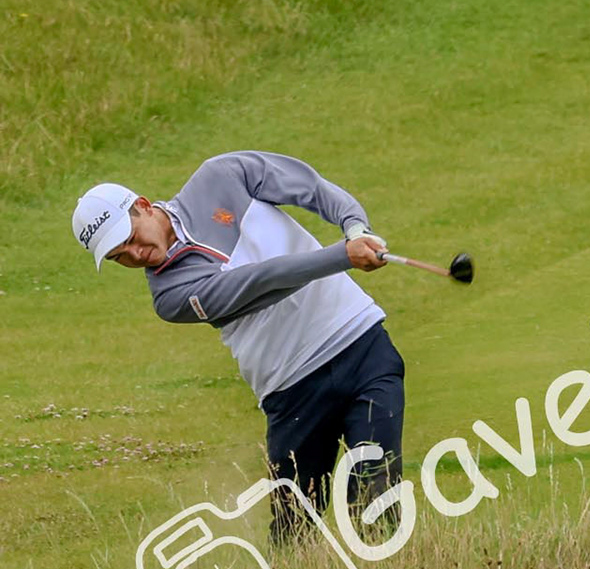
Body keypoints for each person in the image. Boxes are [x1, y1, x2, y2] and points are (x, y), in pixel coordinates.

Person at [72, 151, 404, 545]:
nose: (134, 254)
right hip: (292, 390)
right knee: (294, 528)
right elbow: (263, 281)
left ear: (143, 206)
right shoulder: (171, 296)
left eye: (129, 239)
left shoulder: (222, 175)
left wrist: (355, 226)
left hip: (361, 340)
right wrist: (343, 255)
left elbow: (309, 187)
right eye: (118, 257)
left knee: (376, 490)